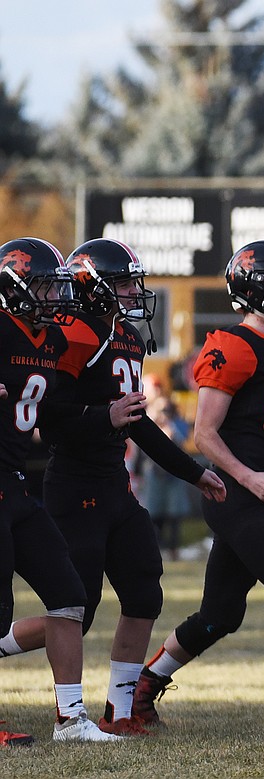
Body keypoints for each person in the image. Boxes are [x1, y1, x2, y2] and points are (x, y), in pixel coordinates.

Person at [1, 238, 227, 737]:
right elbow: (46, 416)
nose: (132, 292)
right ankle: (9, 646)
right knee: (75, 609)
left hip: (113, 484)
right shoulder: (71, 333)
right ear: (93, 286)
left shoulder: (123, 336)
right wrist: (100, 415)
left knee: (144, 589)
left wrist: (192, 471)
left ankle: (119, 711)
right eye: (123, 282)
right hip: (73, 483)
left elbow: (135, 422)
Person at [132, 240, 264, 732]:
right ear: (260, 288)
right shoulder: (232, 344)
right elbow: (204, 434)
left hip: (259, 494)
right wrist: (248, 476)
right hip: (233, 492)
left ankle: (146, 685)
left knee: (221, 613)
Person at [0, 237, 122, 742]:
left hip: (15, 484)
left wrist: (102, 416)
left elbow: (50, 412)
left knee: (68, 595)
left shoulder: (48, 341)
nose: (58, 298)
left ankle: (71, 719)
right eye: (47, 288)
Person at [134, 373, 192, 559]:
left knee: (175, 511)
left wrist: (169, 424)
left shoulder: (174, 415)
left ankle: (172, 548)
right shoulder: (146, 411)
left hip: (173, 471)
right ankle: (156, 547)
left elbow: (182, 436)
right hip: (153, 469)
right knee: (153, 511)